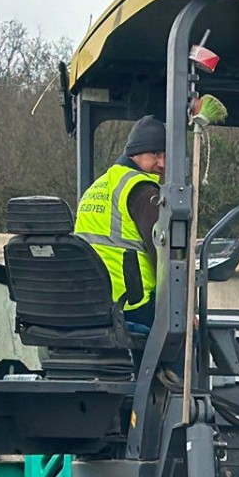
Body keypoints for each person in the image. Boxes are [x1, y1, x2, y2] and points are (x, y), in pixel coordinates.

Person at [75, 114, 166, 327]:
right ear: (134, 153)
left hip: (93, 301)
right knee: (194, 332)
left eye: (166, 155)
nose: (162, 163)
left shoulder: (99, 186)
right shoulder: (142, 191)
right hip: (132, 305)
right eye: (155, 153)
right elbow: (164, 254)